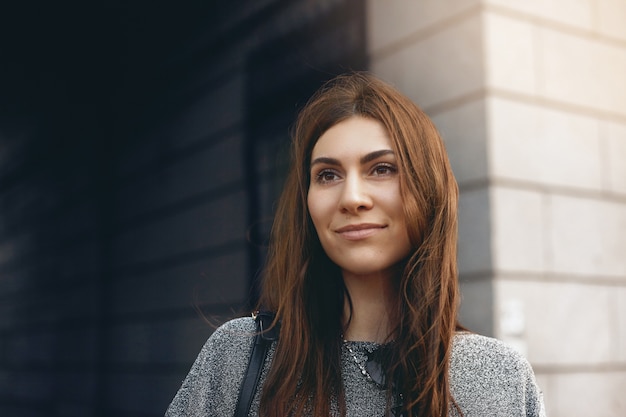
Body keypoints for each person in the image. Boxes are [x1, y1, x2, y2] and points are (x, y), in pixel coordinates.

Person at [165, 72, 546, 417]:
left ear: (428, 189)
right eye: (327, 175)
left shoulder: (500, 378)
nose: (352, 197)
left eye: (381, 169)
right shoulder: (238, 357)